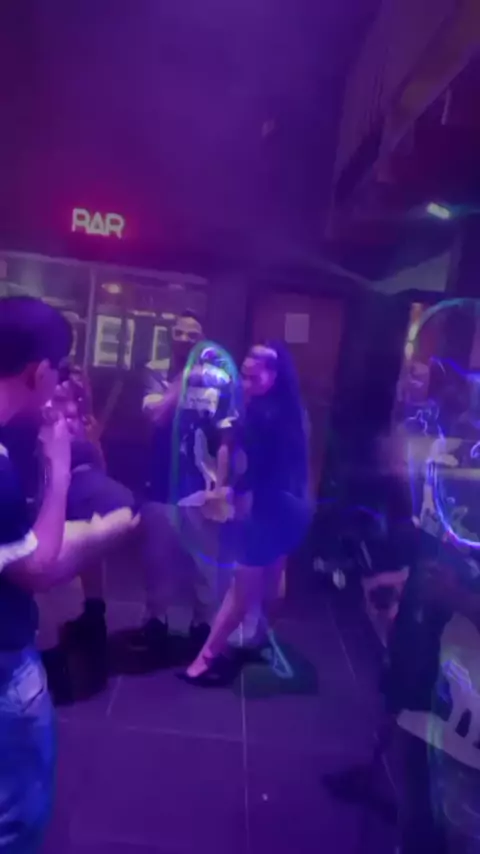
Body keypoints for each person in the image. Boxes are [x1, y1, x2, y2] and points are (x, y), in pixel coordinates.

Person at [180, 342, 312, 685]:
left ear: (274, 375)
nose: (247, 382)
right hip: (292, 507)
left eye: (255, 376)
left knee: (241, 588)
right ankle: (260, 639)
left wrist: (235, 500)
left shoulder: (263, 416)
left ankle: (205, 660)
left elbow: (255, 470)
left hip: (268, 507)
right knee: (272, 577)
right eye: (244, 374)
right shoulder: (291, 411)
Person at [135, 312, 236, 660]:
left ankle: (202, 625)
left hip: (201, 482)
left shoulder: (220, 380)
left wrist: (221, 487)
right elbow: (156, 415)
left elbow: (227, 437)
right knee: (157, 556)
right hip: (160, 479)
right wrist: (184, 379)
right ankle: (155, 620)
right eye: (178, 332)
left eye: (191, 335)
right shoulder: (154, 370)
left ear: (202, 339)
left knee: (204, 562)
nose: (183, 339)